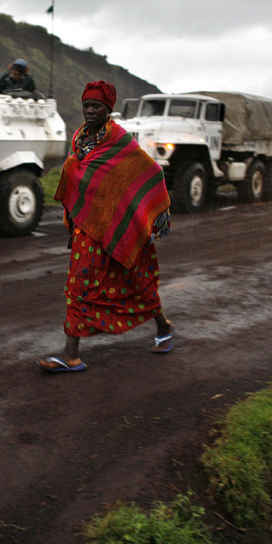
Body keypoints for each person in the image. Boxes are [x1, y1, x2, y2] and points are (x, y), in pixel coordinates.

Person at [37, 80, 173, 373]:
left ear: (108, 110)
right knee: (78, 284)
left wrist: (155, 211)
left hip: (119, 225)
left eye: (95, 106)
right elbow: (82, 182)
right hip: (86, 228)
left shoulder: (120, 141)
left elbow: (149, 172)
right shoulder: (79, 139)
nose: (89, 111)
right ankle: (70, 353)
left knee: (135, 280)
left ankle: (163, 325)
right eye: (86, 105)